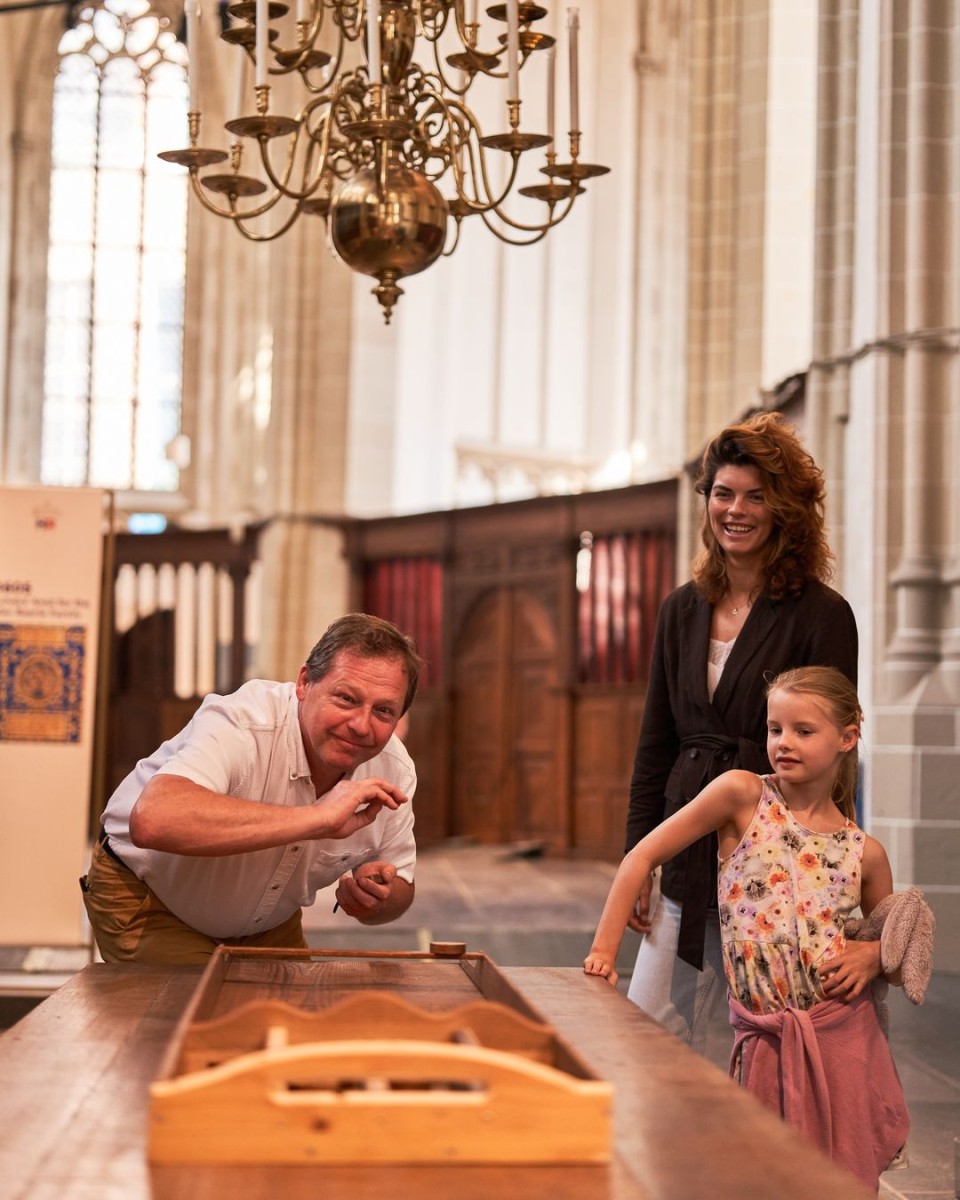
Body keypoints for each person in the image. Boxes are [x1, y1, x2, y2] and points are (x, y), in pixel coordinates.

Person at [586, 667, 909, 1192]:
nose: (783, 743)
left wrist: (872, 958)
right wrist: (603, 956)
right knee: (759, 1178)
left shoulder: (865, 853)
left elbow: (895, 947)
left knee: (839, 1183)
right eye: (775, 729)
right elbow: (641, 857)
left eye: (803, 731)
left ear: (847, 737)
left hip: (843, 1038)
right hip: (767, 1038)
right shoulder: (742, 796)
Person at [624, 411, 859, 1052]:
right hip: (683, 838)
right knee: (649, 1037)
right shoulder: (681, 608)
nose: (737, 510)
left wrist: (832, 876)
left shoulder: (822, 614)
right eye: (723, 493)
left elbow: (834, 750)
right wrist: (637, 856)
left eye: (757, 496)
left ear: (786, 509)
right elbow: (656, 745)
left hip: (773, 859)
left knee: (752, 1039)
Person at [81, 612, 424, 964]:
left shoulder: (393, 769)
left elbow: (401, 884)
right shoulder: (244, 724)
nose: (361, 725)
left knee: (293, 1016)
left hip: (268, 921)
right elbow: (153, 819)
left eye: (383, 711)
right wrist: (318, 817)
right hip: (151, 897)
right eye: (347, 699)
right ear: (304, 683)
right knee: (206, 1014)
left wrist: (378, 896)